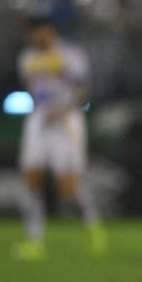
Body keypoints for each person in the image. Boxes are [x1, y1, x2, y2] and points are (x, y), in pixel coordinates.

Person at [11, 16, 106, 261]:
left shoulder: (70, 55)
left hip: (66, 121)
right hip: (39, 120)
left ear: (49, 31)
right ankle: (34, 241)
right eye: (33, 34)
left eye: (40, 32)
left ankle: (93, 226)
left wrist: (63, 109)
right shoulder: (26, 58)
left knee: (68, 188)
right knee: (31, 178)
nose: (37, 37)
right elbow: (34, 88)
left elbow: (84, 89)